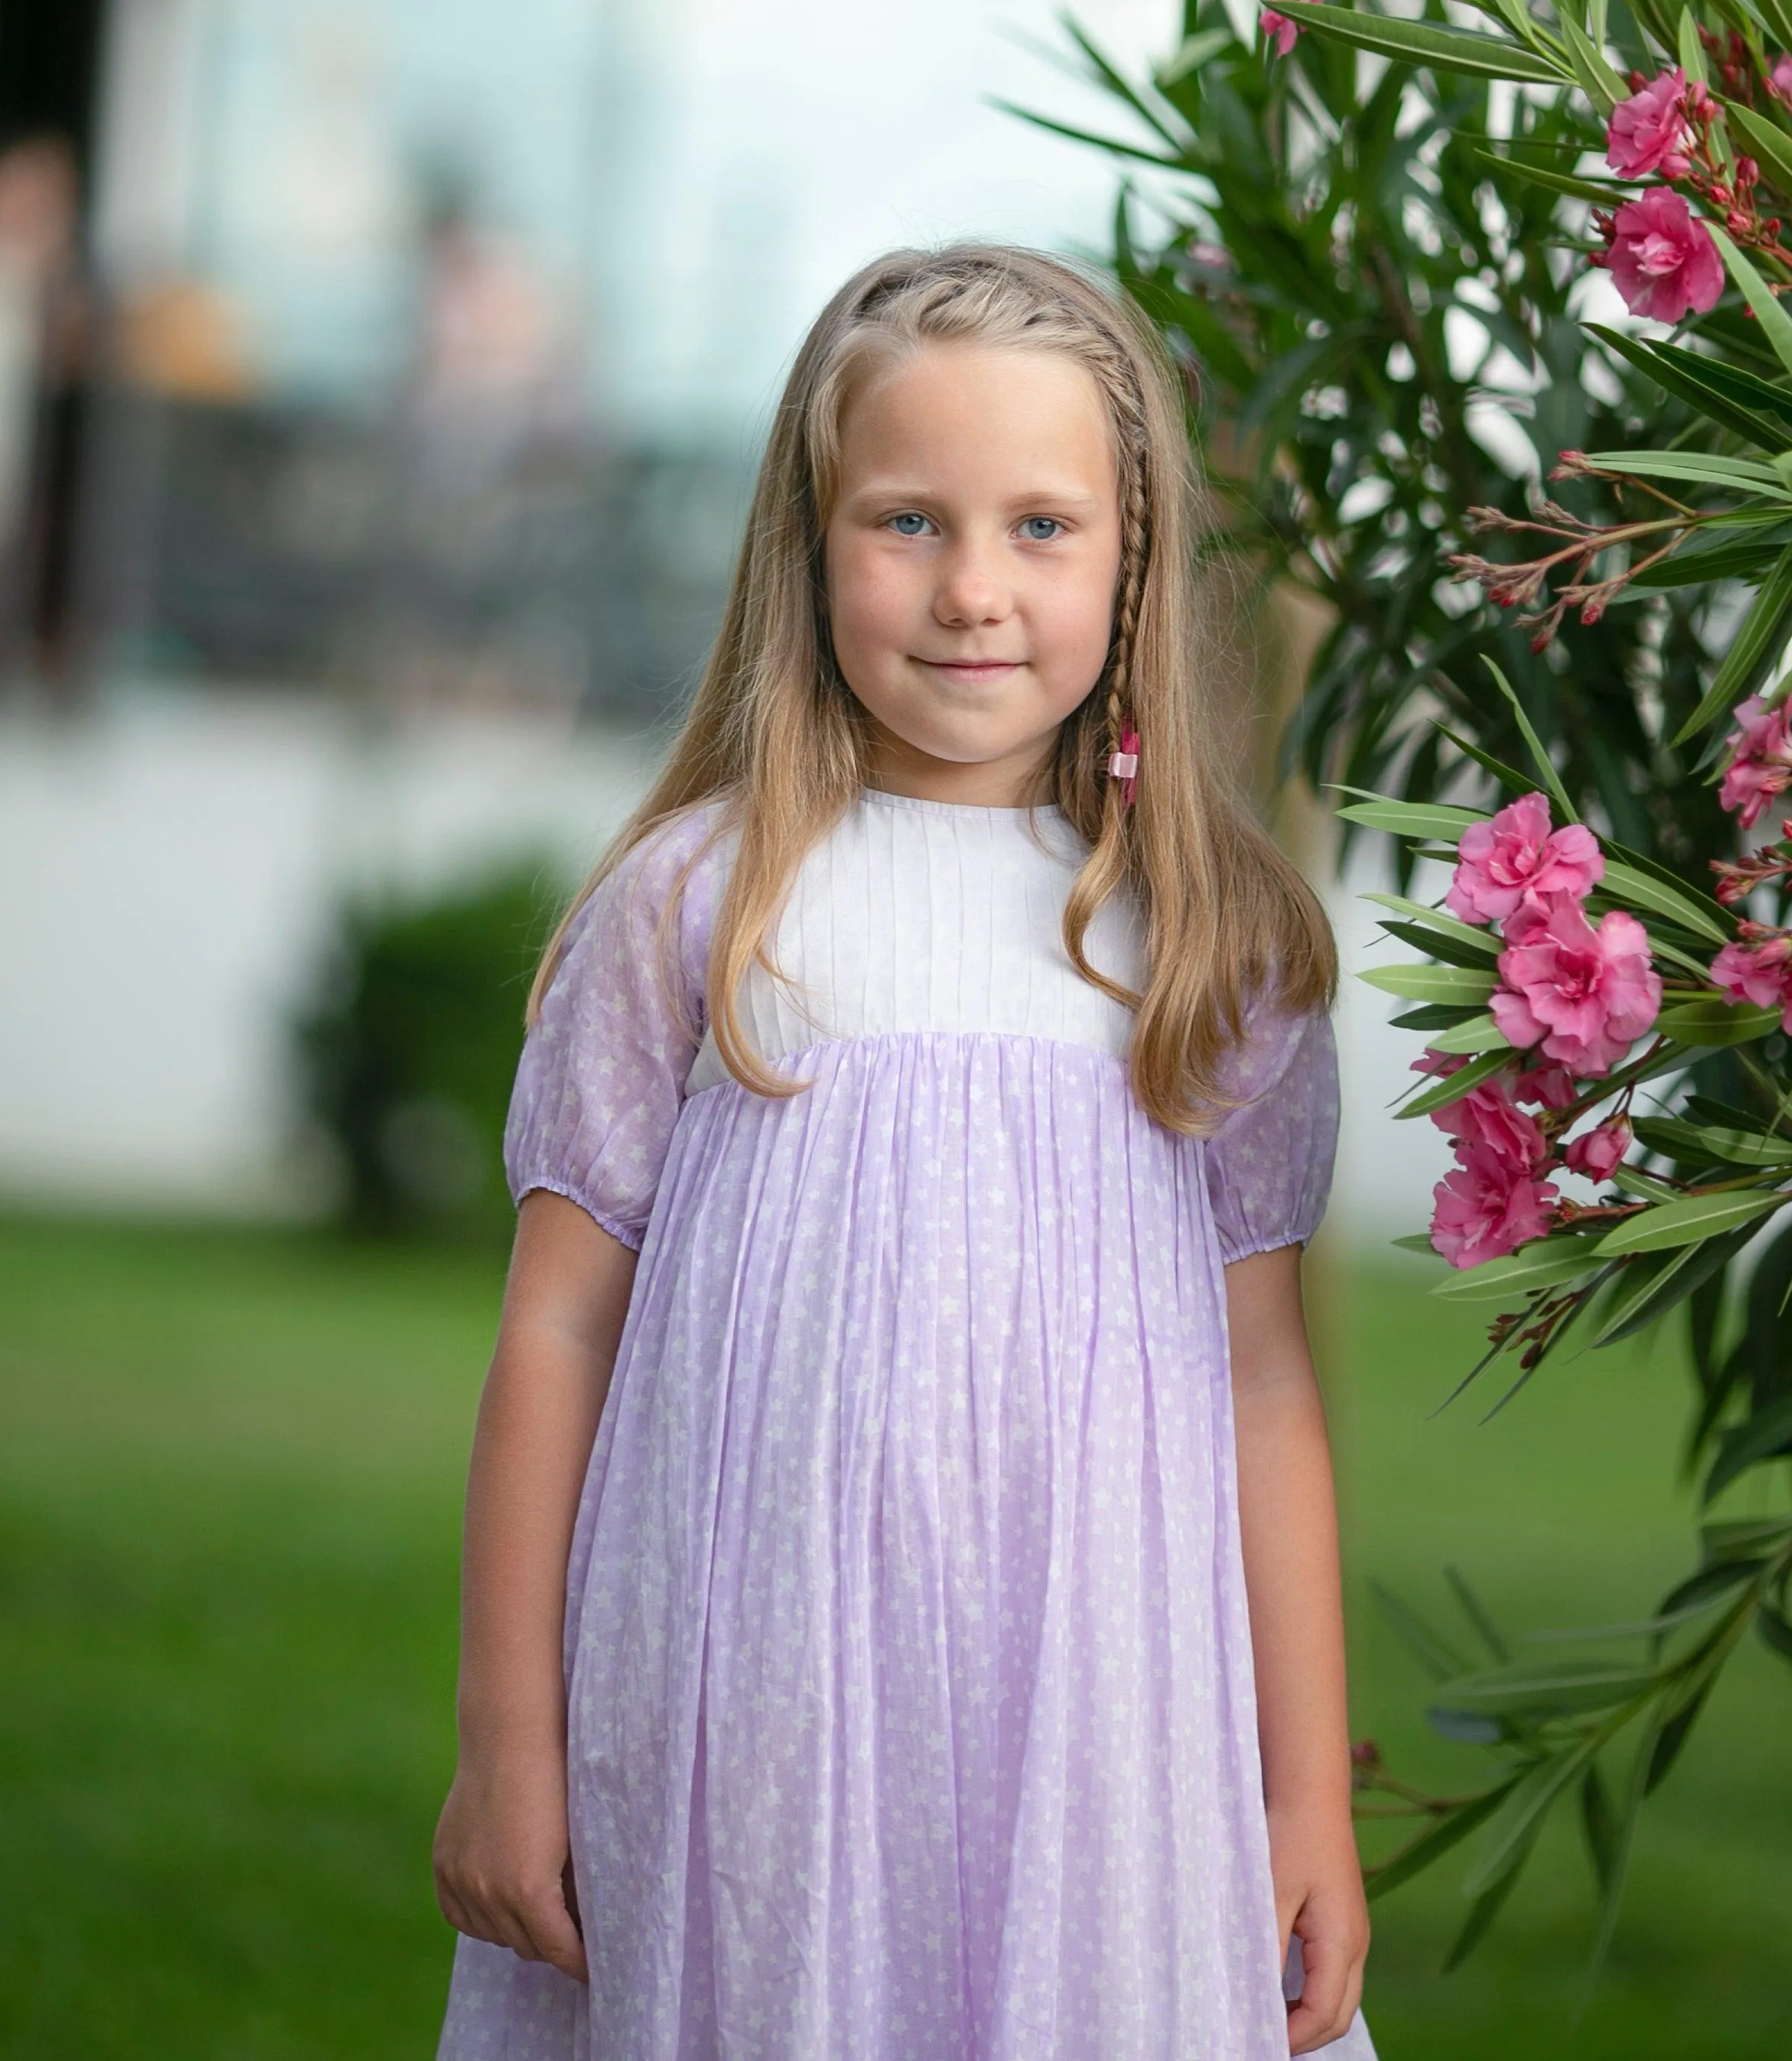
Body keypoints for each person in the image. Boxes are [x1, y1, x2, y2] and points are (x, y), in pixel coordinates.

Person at [431, 243, 1373, 2059]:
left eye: (1040, 527)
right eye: (908, 522)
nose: (971, 590)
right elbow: (556, 1333)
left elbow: (1266, 1391)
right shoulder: (699, 907)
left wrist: (1303, 1797)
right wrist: (510, 1746)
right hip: (751, 1726)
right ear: (810, 543)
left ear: (1136, 562)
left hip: (1098, 1744)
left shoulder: (1207, 945)